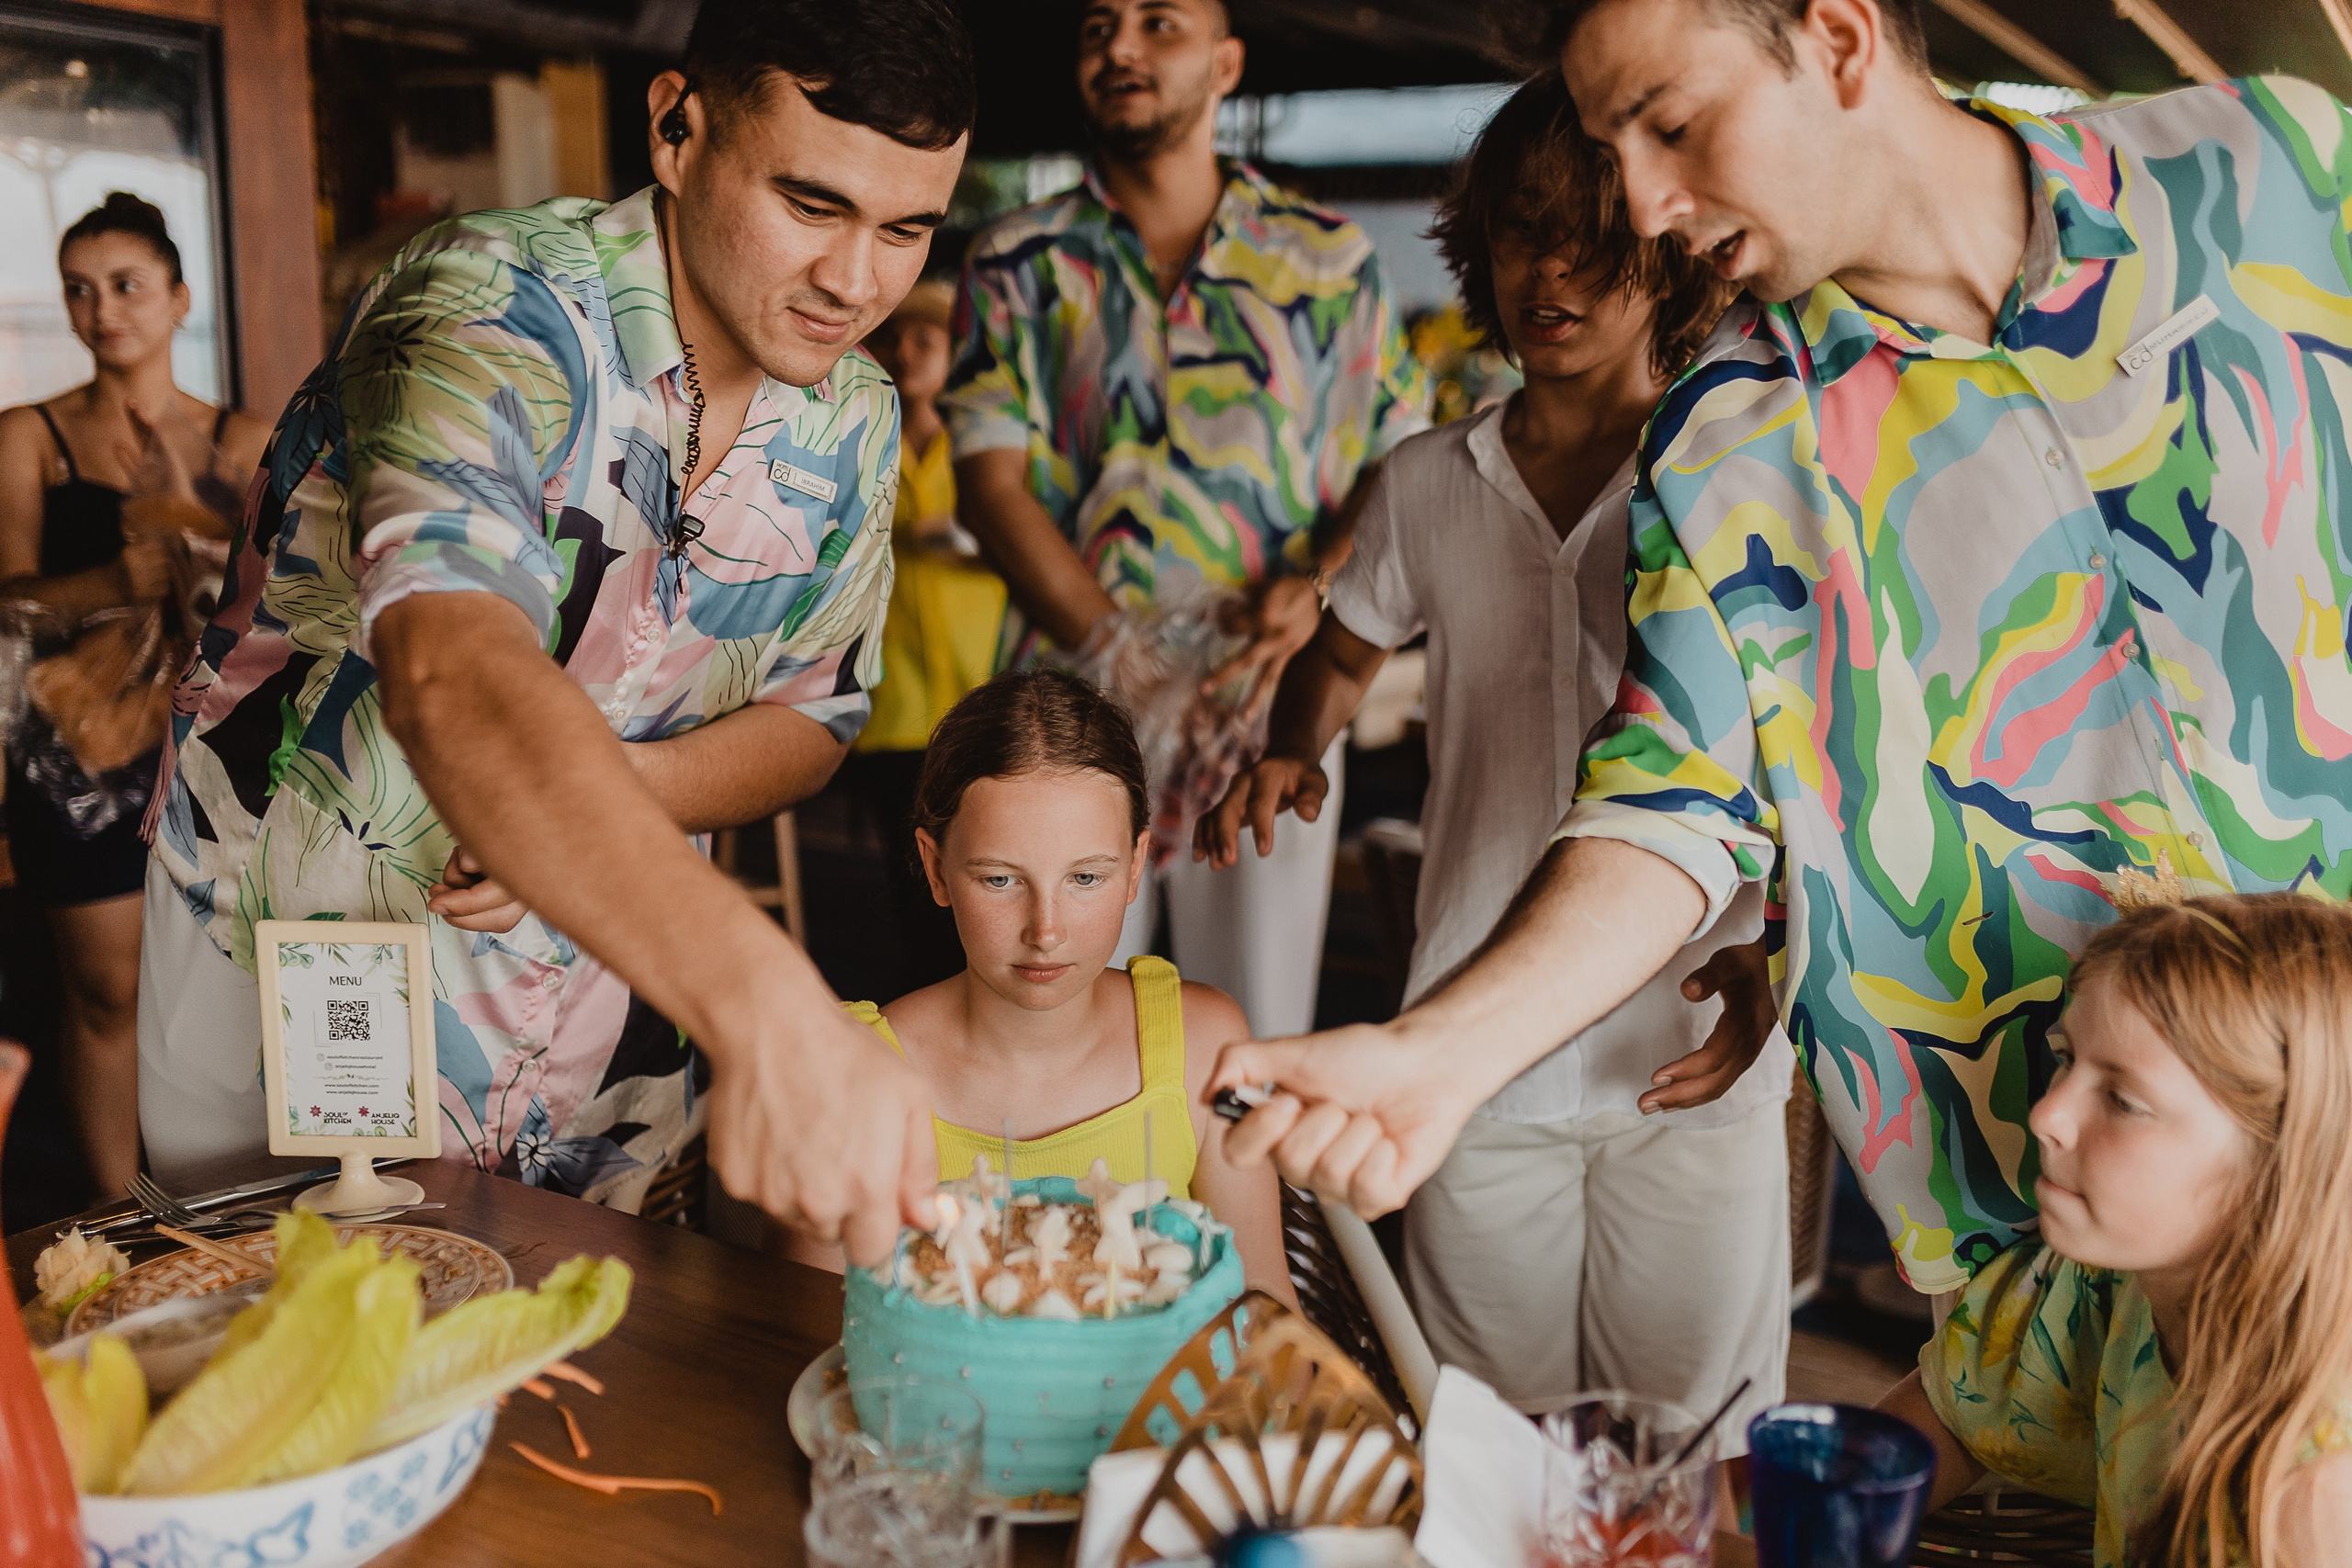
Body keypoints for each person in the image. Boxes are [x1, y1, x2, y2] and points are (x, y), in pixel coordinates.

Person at [1212, 0, 2352, 1304]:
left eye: (1673, 124)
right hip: (2061, 1222)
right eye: (1610, 144)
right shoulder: (1730, 433)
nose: (1639, 207)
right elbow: (1671, 796)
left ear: (1839, 36)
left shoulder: (2275, 172)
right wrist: (1439, 1054)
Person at [141, 0, 970, 1258]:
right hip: (317, 972)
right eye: (811, 205)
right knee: (318, 1375)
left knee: (589, 1384)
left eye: (906, 228)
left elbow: (815, 714)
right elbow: (454, 672)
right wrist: (769, 1006)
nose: (857, 282)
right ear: (678, 131)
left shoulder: (853, 415)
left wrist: (624, 786)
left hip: (608, 1000)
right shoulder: (487, 304)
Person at [1199, 75, 1783, 1429]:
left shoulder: (1741, 476)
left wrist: (1787, 948)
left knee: (1692, 1441)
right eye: (1521, 233)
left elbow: (1822, 754)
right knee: (1483, 1433)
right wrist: (1296, 749)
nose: (1552, 272)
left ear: (1674, 249)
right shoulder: (1423, 483)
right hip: (1467, 1046)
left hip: (1690, 1044)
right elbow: (1344, 648)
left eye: (1594, 236)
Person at [943, 0, 1431, 1039]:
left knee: (1248, 1026)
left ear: (1225, 63)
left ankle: (1239, 1208)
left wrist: (1324, 586)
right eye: (1096, 27)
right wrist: (1115, 649)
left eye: (1158, 23)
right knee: (1051, 1016)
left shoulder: (1328, 263)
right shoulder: (1017, 258)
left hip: (1266, 705)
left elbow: (1400, 460)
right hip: (1066, 708)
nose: (1118, 47)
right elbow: (987, 486)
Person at [1880, 891, 2352, 1568]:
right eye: (2069, 1059)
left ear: (2282, 1165)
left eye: (2124, 1100)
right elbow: (1947, 1422)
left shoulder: (2318, 1493)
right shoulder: (2108, 1285)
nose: (2048, 1113)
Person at [794, 668, 1294, 1304]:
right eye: (1000, 879)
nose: (1046, 930)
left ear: (1136, 865)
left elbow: (1268, 1316)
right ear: (935, 868)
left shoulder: (1206, 1049)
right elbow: (810, 1343)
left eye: (1085, 878)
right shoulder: (854, 1074)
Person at [0, 193, 267, 1197]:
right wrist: (119, 581)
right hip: (78, 753)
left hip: (220, 748)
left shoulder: (245, 436)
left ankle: (231, 1208)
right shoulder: (30, 436)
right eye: (79, 289)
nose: (103, 308)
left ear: (178, 297)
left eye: (126, 285)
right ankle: (124, 1223)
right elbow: (8, 601)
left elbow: (300, 592)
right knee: (107, 993)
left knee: (222, 987)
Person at [841, 279, 1007, 990]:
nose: (905, 353)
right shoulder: (854, 438)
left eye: (925, 341)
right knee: (914, 888)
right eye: (891, 339)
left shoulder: (987, 451)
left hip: (983, 694)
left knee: (993, 874)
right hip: (896, 700)